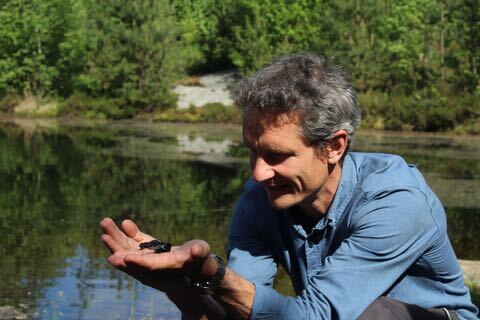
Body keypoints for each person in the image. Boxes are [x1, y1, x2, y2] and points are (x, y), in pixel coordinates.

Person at [100, 53, 479, 320]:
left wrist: (215, 272)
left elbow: (316, 316)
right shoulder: (260, 201)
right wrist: (181, 283)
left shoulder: (395, 202)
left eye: (277, 156)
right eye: (252, 152)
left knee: (373, 314)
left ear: (334, 146)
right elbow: (242, 309)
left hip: (426, 317)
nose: (258, 174)